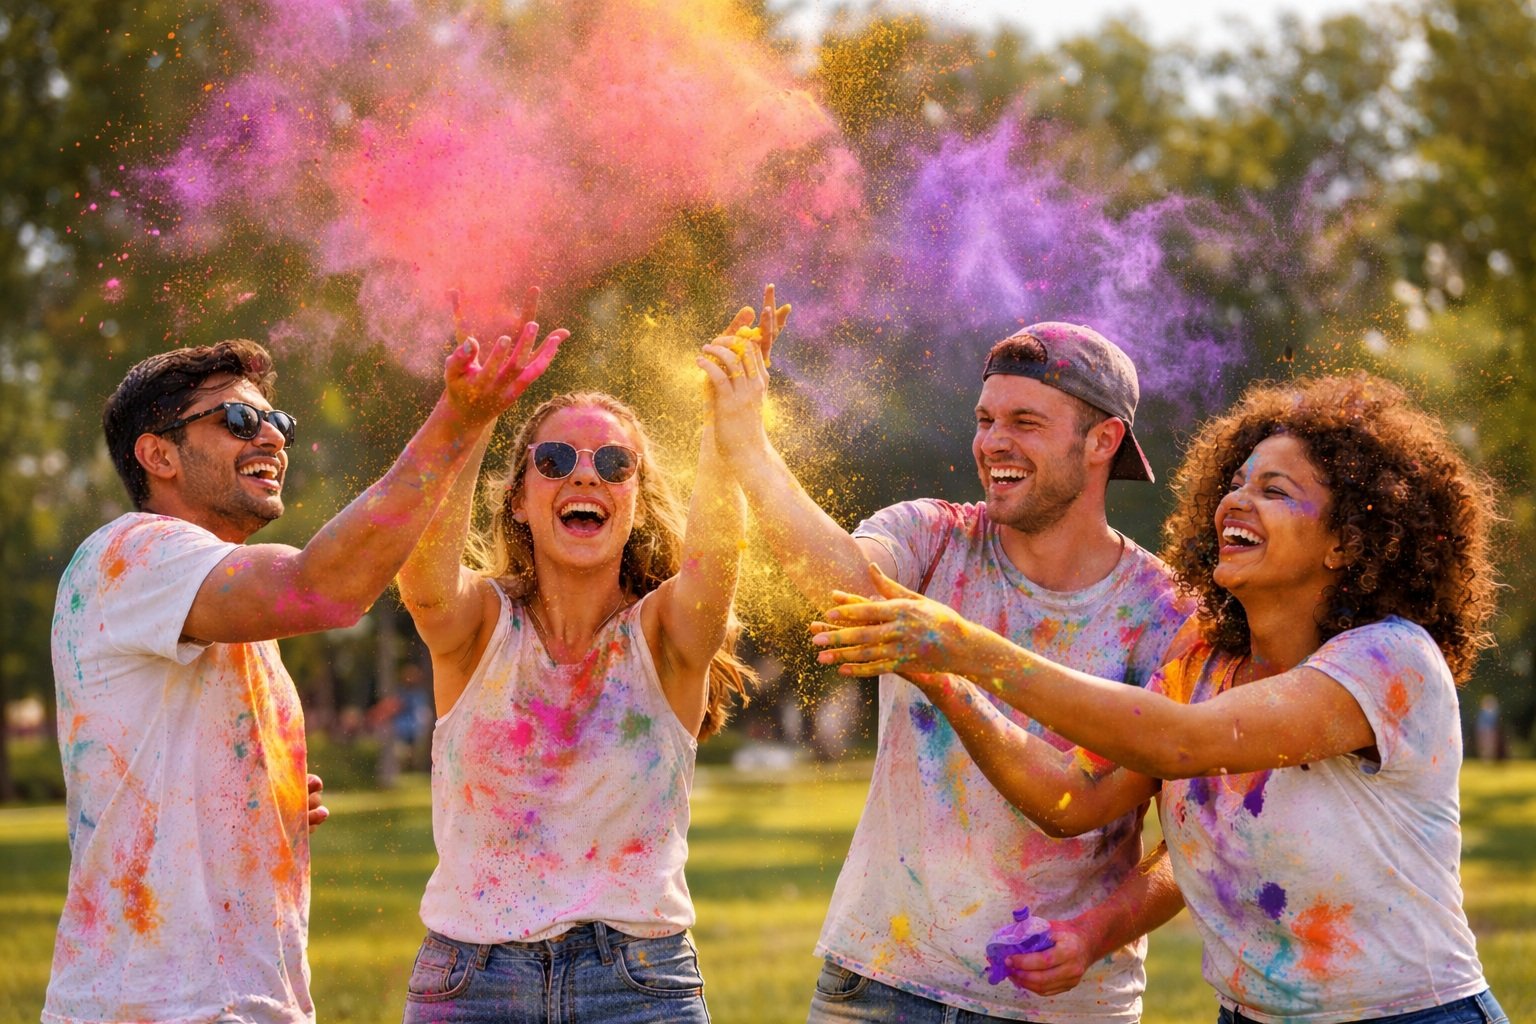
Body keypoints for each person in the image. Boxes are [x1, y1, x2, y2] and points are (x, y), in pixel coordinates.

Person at [814, 373, 1508, 1023]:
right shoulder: (1199, 661)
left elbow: (1180, 741)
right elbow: (1072, 797)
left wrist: (966, 646)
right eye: (1235, 482)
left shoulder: (1387, 662)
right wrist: (939, 673)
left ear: (1347, 541)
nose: (1235, 501)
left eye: (1274, 490)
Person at [46, 296, 568, 1024]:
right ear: (157, 454)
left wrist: (256, 796)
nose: (271, 436)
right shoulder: (132, 554)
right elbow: (324, 588)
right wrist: (460, 419)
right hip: (159, 1006)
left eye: (276, 421)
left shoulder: (212, 598)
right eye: (237, 420)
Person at [698, 320, 1194, 1022]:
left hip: (1068, 1007)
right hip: (883, 984)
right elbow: (846, 587)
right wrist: (749, 447)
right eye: (986, 419)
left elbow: (1196, 832)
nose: (994, 442)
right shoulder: (932, 535)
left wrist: (1097, 933)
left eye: (1025, 421)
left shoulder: (1165, 616)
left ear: (1102, 441)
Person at [393, 296, 780, 1022]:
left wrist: (724, 426)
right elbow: (422, 581)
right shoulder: (480, 624)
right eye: (555, 460)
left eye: (613, 463)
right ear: (519, 499)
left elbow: (713, 567)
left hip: (635, 985)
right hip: (471, 982)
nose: (585, 475)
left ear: (634, 500)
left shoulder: (663, 633)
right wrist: (469, 418)